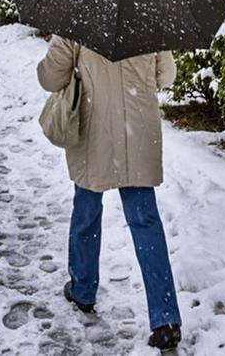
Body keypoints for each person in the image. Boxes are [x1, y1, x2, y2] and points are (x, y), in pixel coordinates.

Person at [37, 35, 182, 351]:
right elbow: (166, 77)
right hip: (139, 133)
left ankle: (84, 290)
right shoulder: (146, 18)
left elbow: (50, 77)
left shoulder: (77, 21)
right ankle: (166, 317)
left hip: (95, 133)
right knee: (146, 223)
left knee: (86, 212)